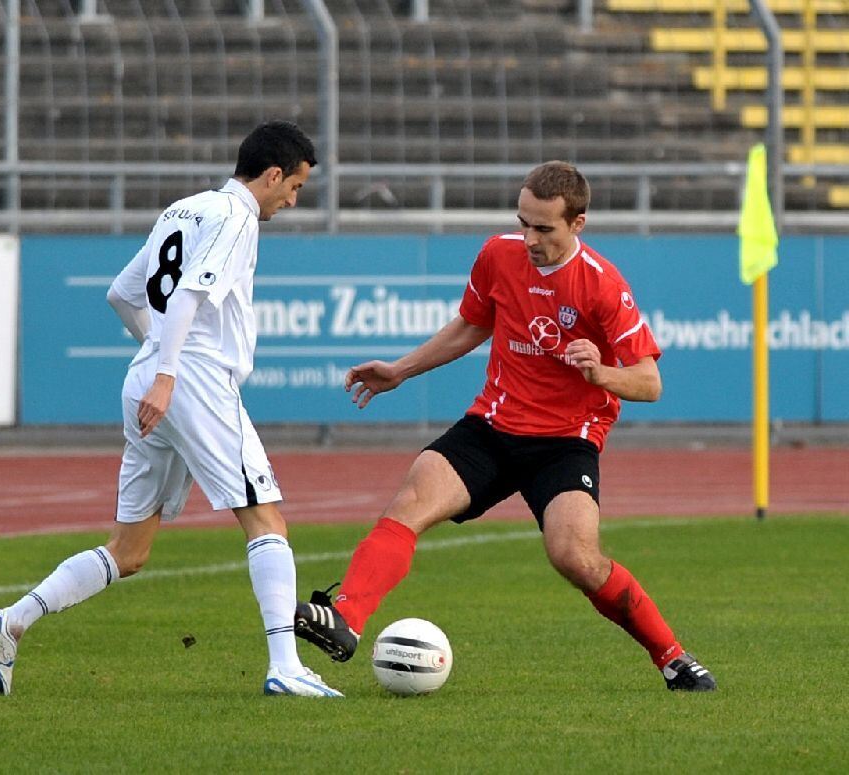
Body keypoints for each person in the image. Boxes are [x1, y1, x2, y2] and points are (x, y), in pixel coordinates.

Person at [294, 161, 717, 692]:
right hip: (493, 426)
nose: (529, 238)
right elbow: (472, 325)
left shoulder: (603, 286)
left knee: (577, 559)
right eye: (524, 223)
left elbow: (649, 382)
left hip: (565, 443)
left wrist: (601, 372)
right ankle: (346, 618)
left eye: (544, 228)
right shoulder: (499, 255)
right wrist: (399, 370)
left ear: (577, 225)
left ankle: (672, 657)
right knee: (409, 502)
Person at [0, 121, 341, 698]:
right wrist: (170, 373)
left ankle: (12, 622)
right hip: (190, 379)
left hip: (152, 375)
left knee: (130, 550)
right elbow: (192, 292)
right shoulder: (237, 217)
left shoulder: (184, 209)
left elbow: (121, 292)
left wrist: (154, 359)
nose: (292, 201)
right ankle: (285, 668)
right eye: (294, 187)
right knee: (265, 518)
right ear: (273, 175)